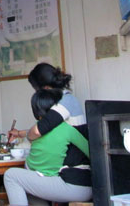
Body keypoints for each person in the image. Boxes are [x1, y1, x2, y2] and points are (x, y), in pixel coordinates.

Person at [7, 63, 92, 200]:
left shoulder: (64, 102)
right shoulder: (67, 104)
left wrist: (28, 135)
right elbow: (48, 130)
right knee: (32, 180)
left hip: (71, 179)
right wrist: (20, 133)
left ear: (45, 88)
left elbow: (37, 131)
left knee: (12, 175)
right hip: (82, 179)